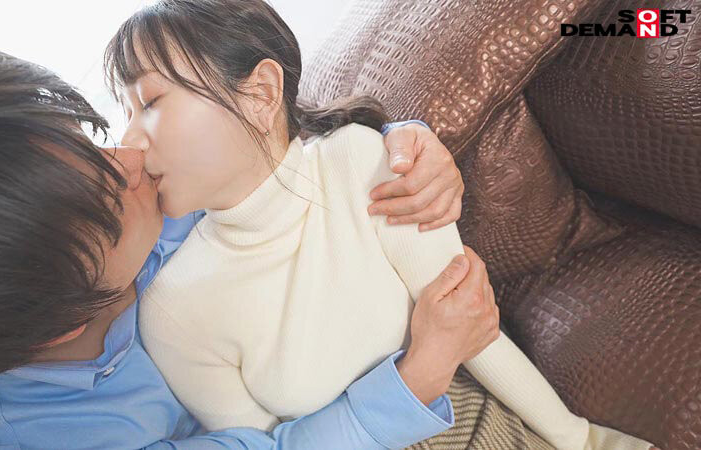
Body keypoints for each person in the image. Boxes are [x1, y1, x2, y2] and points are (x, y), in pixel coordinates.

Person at [108, 2, 656, 450]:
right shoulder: (171, 312)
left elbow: (474, 332)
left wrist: (584, 440)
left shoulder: (362, 163)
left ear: (261, 93)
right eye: (125, 112)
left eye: (149, 101)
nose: (130, 140)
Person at [0, 39, 497, 449]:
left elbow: (281, 154)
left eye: (91, 140)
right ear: (57, 326)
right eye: (109, 197)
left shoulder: (124, 211)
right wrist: (419, 375)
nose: (132, 155)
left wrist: (402, 147)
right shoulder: (41, 434)